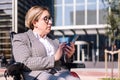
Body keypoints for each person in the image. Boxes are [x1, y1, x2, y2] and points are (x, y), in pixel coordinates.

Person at [12, 5, 80, 80]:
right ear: (35, 22)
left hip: (60, 72)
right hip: (37, 75)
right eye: (46, 19)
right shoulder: (21, 38)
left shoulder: (54, 41)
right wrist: (53, 59)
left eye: (50, 18)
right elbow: (25, 62)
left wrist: (68, 56)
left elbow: (61, 60)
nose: (50, 22)